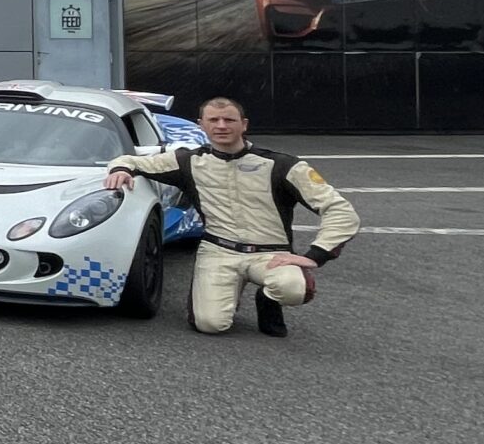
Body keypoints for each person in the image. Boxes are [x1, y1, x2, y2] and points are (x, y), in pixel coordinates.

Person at [103, 95, 359, 337]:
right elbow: (130, 160)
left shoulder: (283, 165)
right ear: (201, 125)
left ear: (244, 124)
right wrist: (122, 169)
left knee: (293, 289)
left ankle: (268, 299)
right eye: (213, 120)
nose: (221, 126)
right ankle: (225, 294)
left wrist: (315, 255)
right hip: (218, 252)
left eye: (229, 119)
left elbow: (341, 211)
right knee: (210, 324)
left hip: (271, 254)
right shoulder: (189, 161)